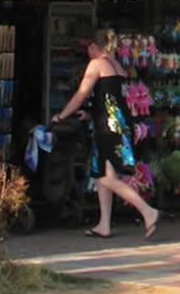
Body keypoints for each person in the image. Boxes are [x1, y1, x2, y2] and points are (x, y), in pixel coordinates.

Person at [52, 28, 159, 240]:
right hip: (117, 121)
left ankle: (148, 211)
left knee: (106, 177)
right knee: (103, 174)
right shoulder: (116, 65)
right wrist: (91, 114)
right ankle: (104, 224)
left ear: (94, 46)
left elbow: (81, 94)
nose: (87, 54)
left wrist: (62, 115)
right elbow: (111, 98)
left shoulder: (97, 64)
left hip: (107, 125)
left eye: (88, 49)